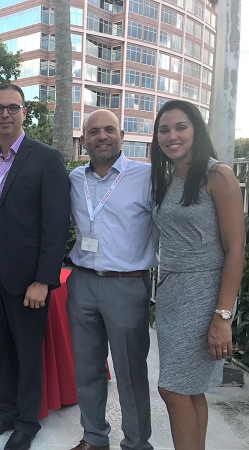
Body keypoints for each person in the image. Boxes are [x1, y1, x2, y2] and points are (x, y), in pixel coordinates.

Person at [0, 84, 70, 450]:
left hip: (27, 276)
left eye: (13, 108)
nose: (5, 114)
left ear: (24, 112)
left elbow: (56, 224)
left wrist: (44, 279)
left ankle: (27, 421)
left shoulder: (46, 158)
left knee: (27, 350)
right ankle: (6, 410)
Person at [150, 100, 244, 450]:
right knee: (189, 388)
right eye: (164, 129)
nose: (172, 136)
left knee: (171, 387)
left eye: (180, 127)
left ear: (196, 131)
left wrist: (222, 316)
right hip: (172, 293)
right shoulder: (170, 176)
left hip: (205, 295)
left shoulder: (216, 174)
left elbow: (235, 249)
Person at [67, 109, 158, 450]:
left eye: (109, 130)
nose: (102, 136)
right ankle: (93, 437)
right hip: (83, 282)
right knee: (87, 368)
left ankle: (136, 443)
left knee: (130, 373)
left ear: (121, 135)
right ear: (84, 140)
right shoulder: (75, 179)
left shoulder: (146, 177)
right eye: (94, 132)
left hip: (127, 284)